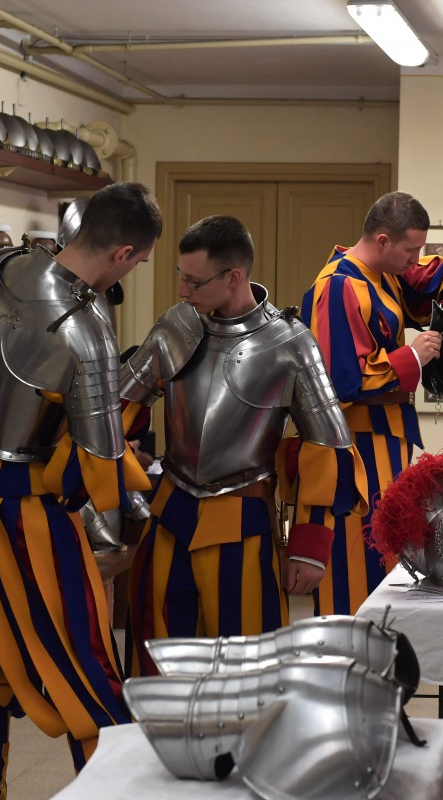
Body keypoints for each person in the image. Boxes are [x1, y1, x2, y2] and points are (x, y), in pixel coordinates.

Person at [0, 182, 162, 800]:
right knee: (83, 662)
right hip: (20, 506)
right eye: (138, 261)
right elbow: (96, 473)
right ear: (122, 253)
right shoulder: (88, 331)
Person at [121, 215, 362, 676]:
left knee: (246, 670)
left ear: (233, 277)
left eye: (193, 281)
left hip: (243, 520)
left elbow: (328, 447)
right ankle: (160, 749)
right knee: (158, 661)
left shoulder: (291, 344)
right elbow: (118, 412)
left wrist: (311, 545)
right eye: (181, 278)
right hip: (169, 516)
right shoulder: (176, 326)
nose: (183, 292)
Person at [299, 191, 443, 615]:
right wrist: (413, 356)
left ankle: (380, 660)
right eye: (411, 249)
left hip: (385, 439)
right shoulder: (340, 286)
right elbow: (341, 380)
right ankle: (352, 663)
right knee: (360, 559)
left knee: (388, 556)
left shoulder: (385, 274)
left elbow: (438, 277)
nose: (415, 259)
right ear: (382, 241)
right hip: (353, 449)